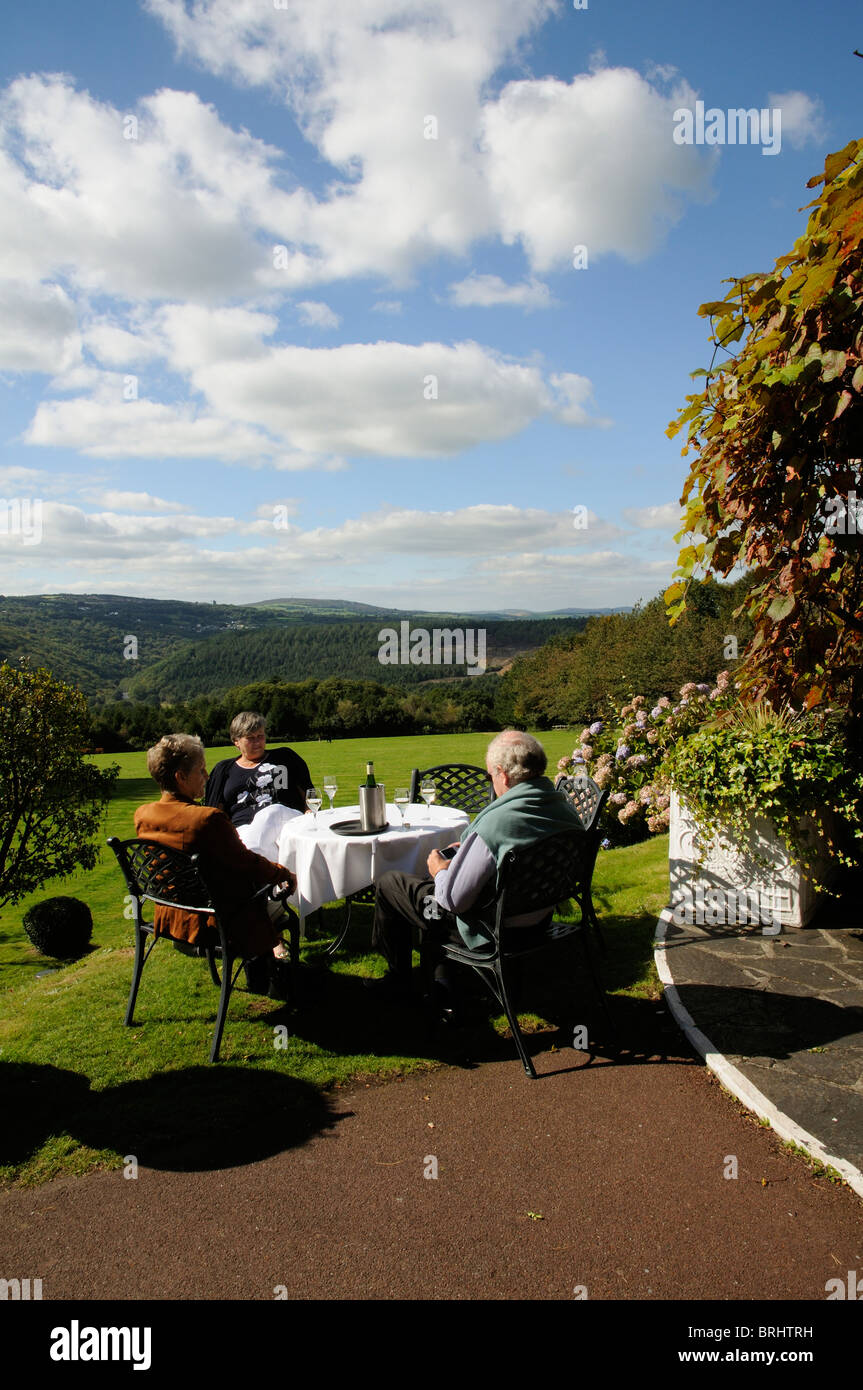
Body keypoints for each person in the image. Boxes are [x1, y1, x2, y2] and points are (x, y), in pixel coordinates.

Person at [368, 730, 586, 1011]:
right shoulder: (564, 809)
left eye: (489, 776)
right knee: (429, 884)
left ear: (502, 775)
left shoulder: (496, 823)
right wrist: (471, 850)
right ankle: (443, 976)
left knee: (390, 883)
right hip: (539, 919)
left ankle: (399, 979)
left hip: (493, 929)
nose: (492, 782)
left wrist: (440, 870)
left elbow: (453, 901)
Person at [134, 733, 298, 995]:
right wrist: (282, 873)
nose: (208, 776)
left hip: (171, 914)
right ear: (181, 777)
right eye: (200, 770)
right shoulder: (206, 819)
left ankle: (262, 970)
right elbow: (247, 863)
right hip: (215, 921)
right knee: (273, 901)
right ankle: (274, 973)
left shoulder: (143, 815)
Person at [204, 711, 313, 862]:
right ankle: (277, 878)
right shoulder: (223, 770)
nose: (258, 742)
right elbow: (214, 814)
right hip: (243, 831)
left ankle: (250, 862)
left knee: (272, 812)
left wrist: (310, 815)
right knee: (262, 844)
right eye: (250, 738)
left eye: (260, 736)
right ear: (236, 741)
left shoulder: (285, 757)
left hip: (288, 823)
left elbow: (310, 794)